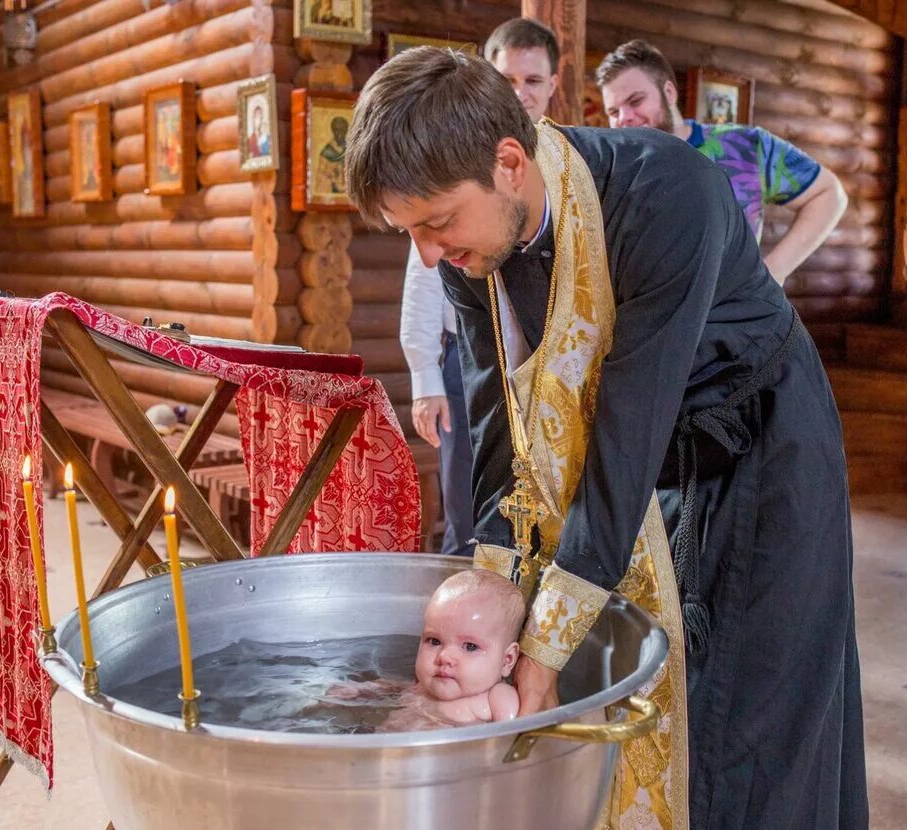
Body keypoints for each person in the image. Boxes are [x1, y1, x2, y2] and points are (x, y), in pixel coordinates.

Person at [346, 48, 866, 829]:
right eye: (406, 231)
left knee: (746, 715)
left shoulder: (667, 196)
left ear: (509, 162)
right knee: (655, 684)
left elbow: (625, 435)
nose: (427, 254)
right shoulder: (468, 248)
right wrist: (487, 608)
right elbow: (500, 429)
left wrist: (544, 652)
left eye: (437, 222)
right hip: (652, 454)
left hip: (763, 450)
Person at [400, 18, 559, 557]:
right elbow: (426, 269)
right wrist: (425, 376)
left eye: (532, 81)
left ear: (552, 85)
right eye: (506, 80)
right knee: (469, 500)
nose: (520, 94)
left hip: (547, 357)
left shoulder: (567, 171)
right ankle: (463, 601)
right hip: (465, 356)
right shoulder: (453, 158)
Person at [597, 39, 848, 286]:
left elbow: (829, 194)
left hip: (730, 320)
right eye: (613, 112)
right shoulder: (614, 170)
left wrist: (774, 273)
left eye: (635, 101)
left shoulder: (745, 145)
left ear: (669, 92)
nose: (624, 118)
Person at [328, 569, 523, 730]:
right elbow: (399, 689)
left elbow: (514, 737)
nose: (444, 656)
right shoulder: (423, 688)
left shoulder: (496, 698)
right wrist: (366, 690)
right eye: (434, 641)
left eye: (470, 646)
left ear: (506, 661)